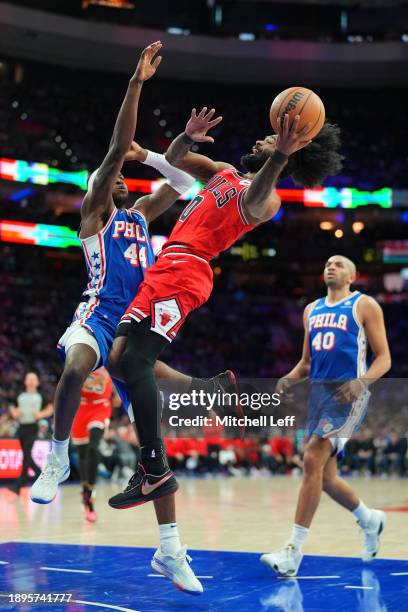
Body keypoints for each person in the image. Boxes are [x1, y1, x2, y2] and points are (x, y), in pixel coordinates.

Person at [30, 42, 229, 595]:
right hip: (97, 312)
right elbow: (120, 147)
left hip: (137, 322)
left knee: (154, 448)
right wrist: (136, 84)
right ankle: (59, 458)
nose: (117, 178)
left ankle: (170, 550)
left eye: (121, 175)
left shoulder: (142, 216)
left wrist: (184, 142)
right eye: (110, 173)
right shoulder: (97, 212)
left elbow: (185, 183)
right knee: (75, 364)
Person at [107, 105, 343, 513]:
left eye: (268, 139)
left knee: (137, 363)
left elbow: (252, 199)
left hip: (186, 270)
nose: (260, 140)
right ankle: (206, 389)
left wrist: (280, 154)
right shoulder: (225, 171)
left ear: (285, 155)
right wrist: (179, 138)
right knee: (116, 358)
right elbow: (178, 160)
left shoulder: (269, 199)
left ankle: (154, 468)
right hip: (166, 265)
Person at [261, 255, 391, 577]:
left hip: (347, 395)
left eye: (338, 264)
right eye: (327, 264)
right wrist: (289, 378)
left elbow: (384, 358)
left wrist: (361, 383)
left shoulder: (364, 305)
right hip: (318, 397)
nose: (330, 266)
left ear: (352, 275)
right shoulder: (312, 310)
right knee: (326, 476)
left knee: (310, 458)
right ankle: (369, 519)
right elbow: (306, 362)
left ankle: (292, 551)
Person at [72, 367, 121, 522]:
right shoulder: (80, 357)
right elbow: (71, 384)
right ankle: (85, 489)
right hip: (81, 408)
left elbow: (118, 381)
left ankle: (89, 492)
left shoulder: (108, 358)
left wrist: (118, 393)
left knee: (94, 447)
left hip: (100, 407)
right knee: (82, 454)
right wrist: (92, 381)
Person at [8, 372, 53, 494]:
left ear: (37, 382)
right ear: (25, 381)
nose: (32, 381)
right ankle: (41, 478)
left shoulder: (41, 395)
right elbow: (12, 406)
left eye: (34, 379)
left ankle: (19, 485)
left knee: (27, 455)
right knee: (27, 456)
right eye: (29, 379)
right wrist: (14, 412)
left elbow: (50, 409)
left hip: (33, 427)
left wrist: (41, 414)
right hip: (21, 427)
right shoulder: (20, 395)